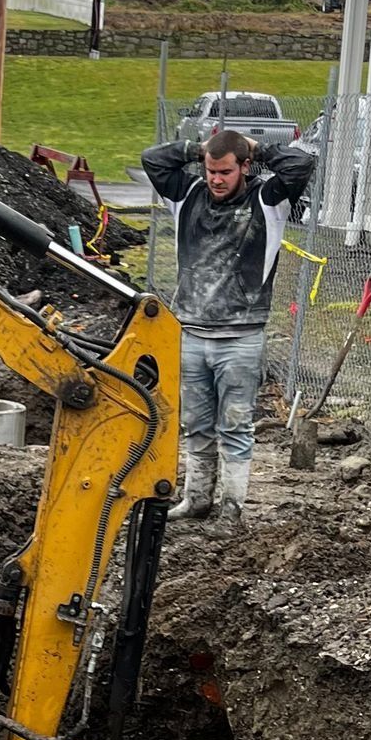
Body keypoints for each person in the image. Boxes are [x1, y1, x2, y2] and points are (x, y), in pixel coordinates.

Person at [142, 124, 297, 525]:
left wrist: (258, 147)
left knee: (235, 426)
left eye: (225, 171)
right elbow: (152, 159)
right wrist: (200, 148)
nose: (215, 179)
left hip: (241, 337)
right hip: (191, 332)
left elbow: (301, 164)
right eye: (211, 171)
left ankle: (232, 508)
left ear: (244, 167)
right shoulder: (188, 194)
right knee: (196, 424)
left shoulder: (267, 199)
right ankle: (196, 499)